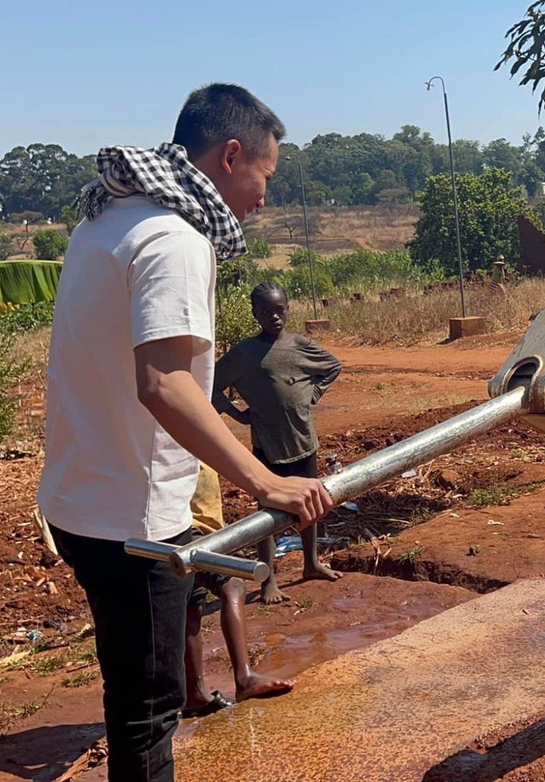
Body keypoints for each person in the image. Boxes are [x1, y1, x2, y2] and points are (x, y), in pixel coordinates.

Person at [37, 84, 332, 782]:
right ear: (231, 156)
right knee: (148, 718)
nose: (265, 196)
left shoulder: (109, 219)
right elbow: (163, 384)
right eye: (267, 175)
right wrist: (266, 483)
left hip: (81, 503)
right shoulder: (174, 239)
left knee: (132, 699)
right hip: (131, 519)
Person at [213, 282, 344, 604]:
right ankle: (269, 580)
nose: (274, 316)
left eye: (279, 309)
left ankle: (311, 563)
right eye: (266, 311)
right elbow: (211, 384)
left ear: (288, 308)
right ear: (254, 313)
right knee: (267, 515)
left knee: (310, 505)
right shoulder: (244, 353)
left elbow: (332, 367)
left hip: (303, 440)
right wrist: (238, 415)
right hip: (267, 446)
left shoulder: (299, 345)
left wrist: (311, 394)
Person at [181, 465, 293, 718]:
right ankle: (244, 678)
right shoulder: (186, 439)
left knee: (192, 606)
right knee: (233, 583)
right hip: (188, 532)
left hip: (196, 532)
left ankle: (195, 695)